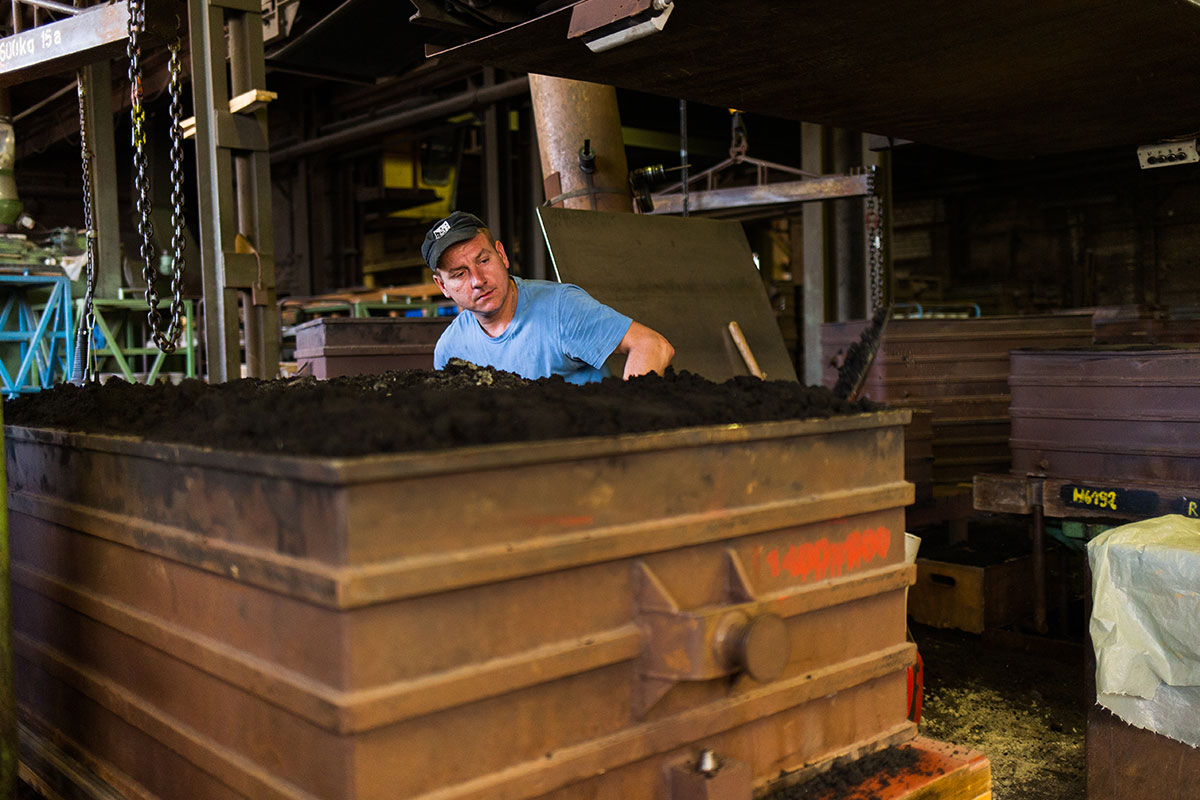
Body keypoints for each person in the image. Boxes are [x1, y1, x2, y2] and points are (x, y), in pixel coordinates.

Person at [422, 211, 674, 384]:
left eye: (484, 261)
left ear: (502, 255)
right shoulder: (450, 350)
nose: (478, 280)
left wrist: (627, 420)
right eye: (459, 274)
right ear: (442, 286)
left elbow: (652, 345)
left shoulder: (560, 309)